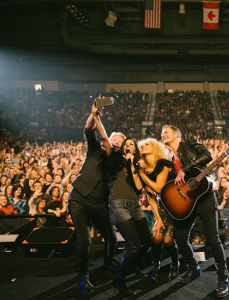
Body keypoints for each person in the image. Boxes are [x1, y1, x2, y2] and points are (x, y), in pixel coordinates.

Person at [161, 125, 229, 298]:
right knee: (180, 238)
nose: (163, 134)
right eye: (162, 133)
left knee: (213, 239)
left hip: (204, 197)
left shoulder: (189, 143)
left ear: (176, 134)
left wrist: (186, 167)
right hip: (187, 202)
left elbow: (208, 156)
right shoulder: (171, 158)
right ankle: (193, 268)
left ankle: (223, 279)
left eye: (166, 132)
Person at [93, 102, 152, 296]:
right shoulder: (112, 156)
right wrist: (96, 116)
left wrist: (133, 166)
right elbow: (103, 136)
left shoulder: (134, 164)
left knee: (147, 241)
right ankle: (119, 281)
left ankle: (131, 265)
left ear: (133, 148)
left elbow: (137, 187)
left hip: (134, 206)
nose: (123, 146)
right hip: (118, 206)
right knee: (134, 245)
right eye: (120, 143)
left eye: (127, 144)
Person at [68, 99, 125, 294]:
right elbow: (89, 131)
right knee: (85, 240)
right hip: (79, 200)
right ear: (107, 139)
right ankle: (83, 276)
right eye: (114, 140)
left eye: (120, 143)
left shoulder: (118, 162)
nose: (116, 143)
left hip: (100, 204)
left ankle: (108, 263)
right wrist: (93, 115)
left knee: (113, 238)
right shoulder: (94, 149)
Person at [137, 138, 179, 282]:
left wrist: (142, 175)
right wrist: (158, 219)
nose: (143, 146)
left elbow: (159, 188)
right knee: (157, 238)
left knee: (167, 241)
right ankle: (156, 265)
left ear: (155, 148)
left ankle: (175, 263)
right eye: (142, 145)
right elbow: (151, 197)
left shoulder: (164, 164)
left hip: (175, 205)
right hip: (161, 207)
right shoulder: (145, 170)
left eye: (147, 144)